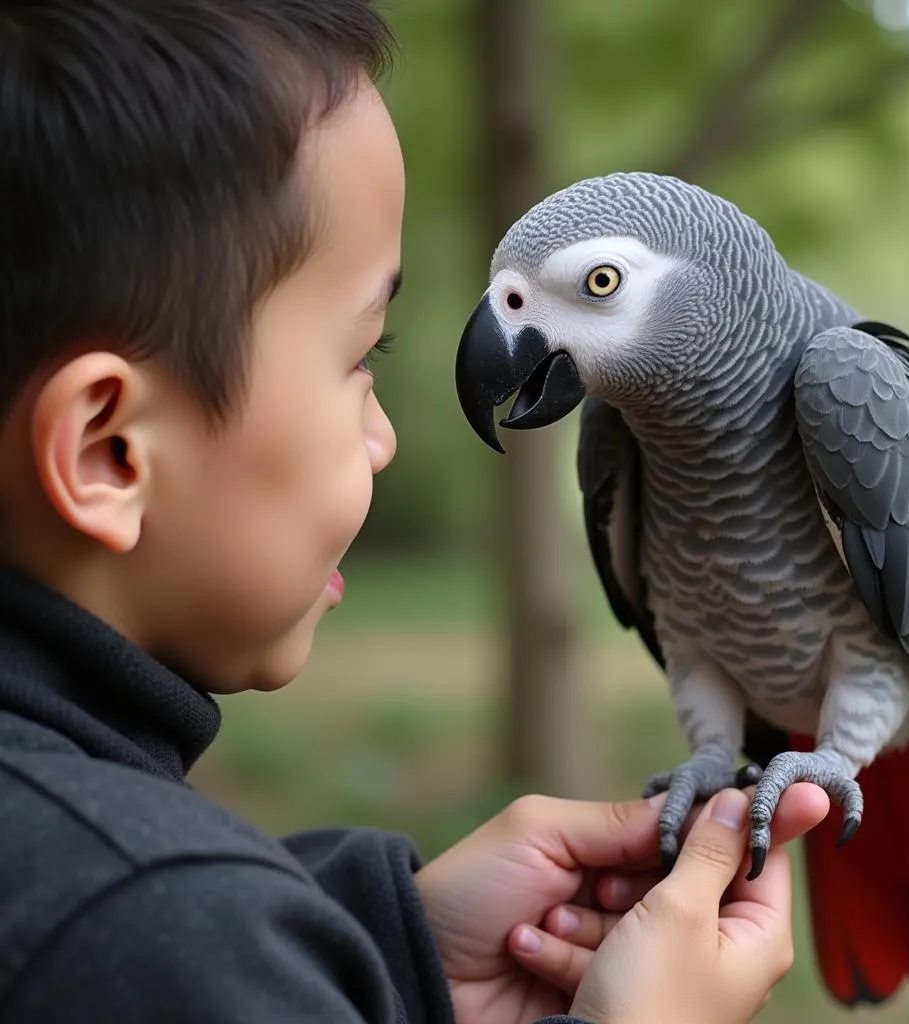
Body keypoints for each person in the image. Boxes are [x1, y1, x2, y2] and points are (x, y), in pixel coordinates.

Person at [0, 2, 830, 1022]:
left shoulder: (106, 890)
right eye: (361, 357)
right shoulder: (145, 922)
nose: (386, 433)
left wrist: (386, 952)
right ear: (109, 451)